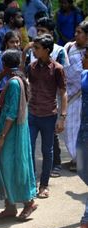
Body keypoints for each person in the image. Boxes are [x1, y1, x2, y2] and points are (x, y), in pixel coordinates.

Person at [0, 49, 38, 221]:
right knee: (11, 165)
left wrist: (2, 136)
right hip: (17, 128)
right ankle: (10, 206)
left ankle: (29, 202)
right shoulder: (20, 78)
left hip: (12, 132)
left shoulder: (13, 83)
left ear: (4, 65)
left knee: (13, 165)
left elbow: (12, 112)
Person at [28, 34, 68, 199]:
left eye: (37, 48)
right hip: (32, 114)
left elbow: (63, 93)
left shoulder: (57, 68)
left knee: (47, 150)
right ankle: (30, 184)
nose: (34, 50)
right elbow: (28, 87)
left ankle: (44, 185)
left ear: (46, 50)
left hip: (49, 115)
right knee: (28, 149)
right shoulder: (32, 67)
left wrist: (62, 117)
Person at [64, 21, 88, 171]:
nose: (76, 35)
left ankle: (79, 160)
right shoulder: (69, 47)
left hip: (83, 94)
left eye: (79, 32)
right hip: (71, 95)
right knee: (70, 128)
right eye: (76, 32)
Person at [75, 47, 88, 228]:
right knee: (81, 168)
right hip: (84, 128)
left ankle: (86, 220)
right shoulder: (85, 74)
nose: (84, 58)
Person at [0, 31, 21, 98]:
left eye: (17, 42)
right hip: (3, 91)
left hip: (18, 89)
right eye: (12, 42)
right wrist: (5, 71)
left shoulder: (22, 55)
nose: (15, 44)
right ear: (6, 43)